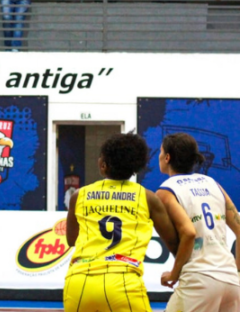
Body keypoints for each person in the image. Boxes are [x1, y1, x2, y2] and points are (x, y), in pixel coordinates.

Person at [64, 133, 179, 312]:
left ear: (103, 165)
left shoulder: (79, 195)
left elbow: (72, 240)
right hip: (123, 280)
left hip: (79, 282)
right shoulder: (147, 197)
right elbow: (173, 242)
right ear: (136, 166)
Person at [156, 133, 240, 312]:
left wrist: (174, 274)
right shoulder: (213, 183)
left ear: (168, 157)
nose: (159, 155)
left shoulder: (165, 191)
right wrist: (236, 271)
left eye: (161, 151)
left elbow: (189, 233)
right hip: (231, 281)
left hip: (200, 279)